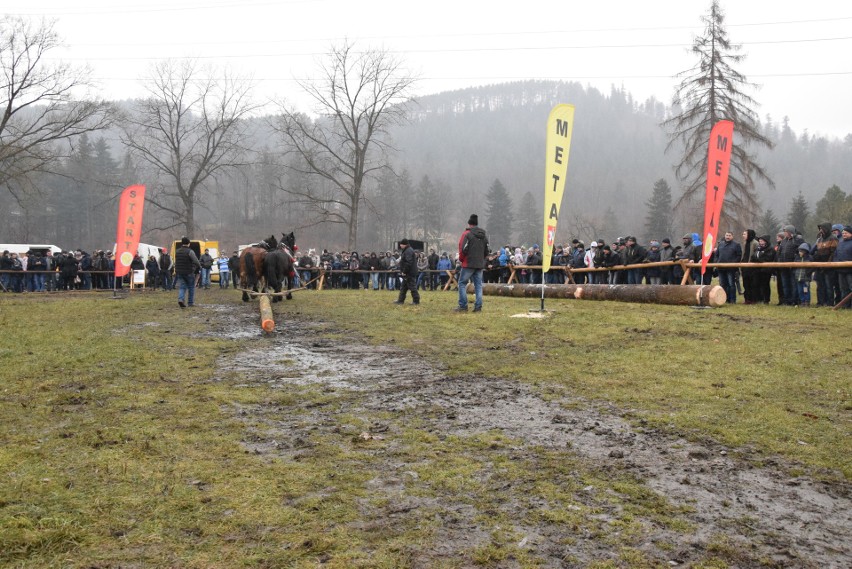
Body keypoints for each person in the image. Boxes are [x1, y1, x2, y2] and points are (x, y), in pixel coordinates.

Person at [455, 214, 489, 312]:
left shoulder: (466, 234)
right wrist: (482, 260)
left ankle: (463, 306)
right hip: (479, 264)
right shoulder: (484, 236)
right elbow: (487, 251)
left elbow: (462, 249)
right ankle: (478, 307)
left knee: (461, 284)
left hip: (468, 263)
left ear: (469, 224)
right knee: (478, 285)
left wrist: (461, 260)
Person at [811, 222, 838, 307]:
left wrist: (827, 265)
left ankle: (830, 303)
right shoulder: (820, 239)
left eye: (822, 229)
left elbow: (833, 253)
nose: (821, 231)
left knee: (829, 286)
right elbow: (817, 251)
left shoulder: (833, 238)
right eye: (820, 229)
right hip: (819, 266)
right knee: (820, 286)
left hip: (829, 266)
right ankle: (820, 302)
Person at [715, 231, 742, 303]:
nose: (727, 237)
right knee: (722, 284)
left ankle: (732, 300)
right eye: (726, 235)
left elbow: (739, 256)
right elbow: (716, 255)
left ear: (732, 236)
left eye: (729, 235)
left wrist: (733, 264)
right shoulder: (720, 244)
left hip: (731, 268)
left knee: (731, 284)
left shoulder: (736, 245)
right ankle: (724, 299)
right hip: (720, 268)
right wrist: (717, 262)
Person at [175, 236, 201, 308]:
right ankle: (190, 302)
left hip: (179, 272)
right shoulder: (190, 251)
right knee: (191, 287)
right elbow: (196, 261)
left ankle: (181, 299)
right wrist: (199, 266)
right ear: (188, 243)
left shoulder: (177, 251)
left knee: (182, 287)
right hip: (188, 272)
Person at [751, 235, 776, 304]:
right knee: (756, 284)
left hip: (766, 270)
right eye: (759, 241)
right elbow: (753, 257)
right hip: (757, 270)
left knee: (765, 285)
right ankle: (758, 299)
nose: (760, 242)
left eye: (761, 241)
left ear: (766, 241)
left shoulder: (770, 249)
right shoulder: (758, 249)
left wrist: (758, 260)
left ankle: (766, 299)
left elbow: (767, 258)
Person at [394, 239, 420, 305]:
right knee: (403, 287)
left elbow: (408, 262)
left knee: (412, 287)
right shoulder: (407, 250)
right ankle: (400, 300)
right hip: (408, 272)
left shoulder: (408, 251)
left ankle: (416, 301)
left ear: (404, 244)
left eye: (401, 244)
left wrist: (404, 271)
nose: (400, 245)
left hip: (409, 273)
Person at [834, 226, 852, 309]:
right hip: (841, 270)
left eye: (846, 233)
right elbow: (836, 255)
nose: (844, 234)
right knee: (843, 288)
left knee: (851, 288)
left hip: (850, 270)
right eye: (843, 233)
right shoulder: (840, 243)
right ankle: (845, 306)